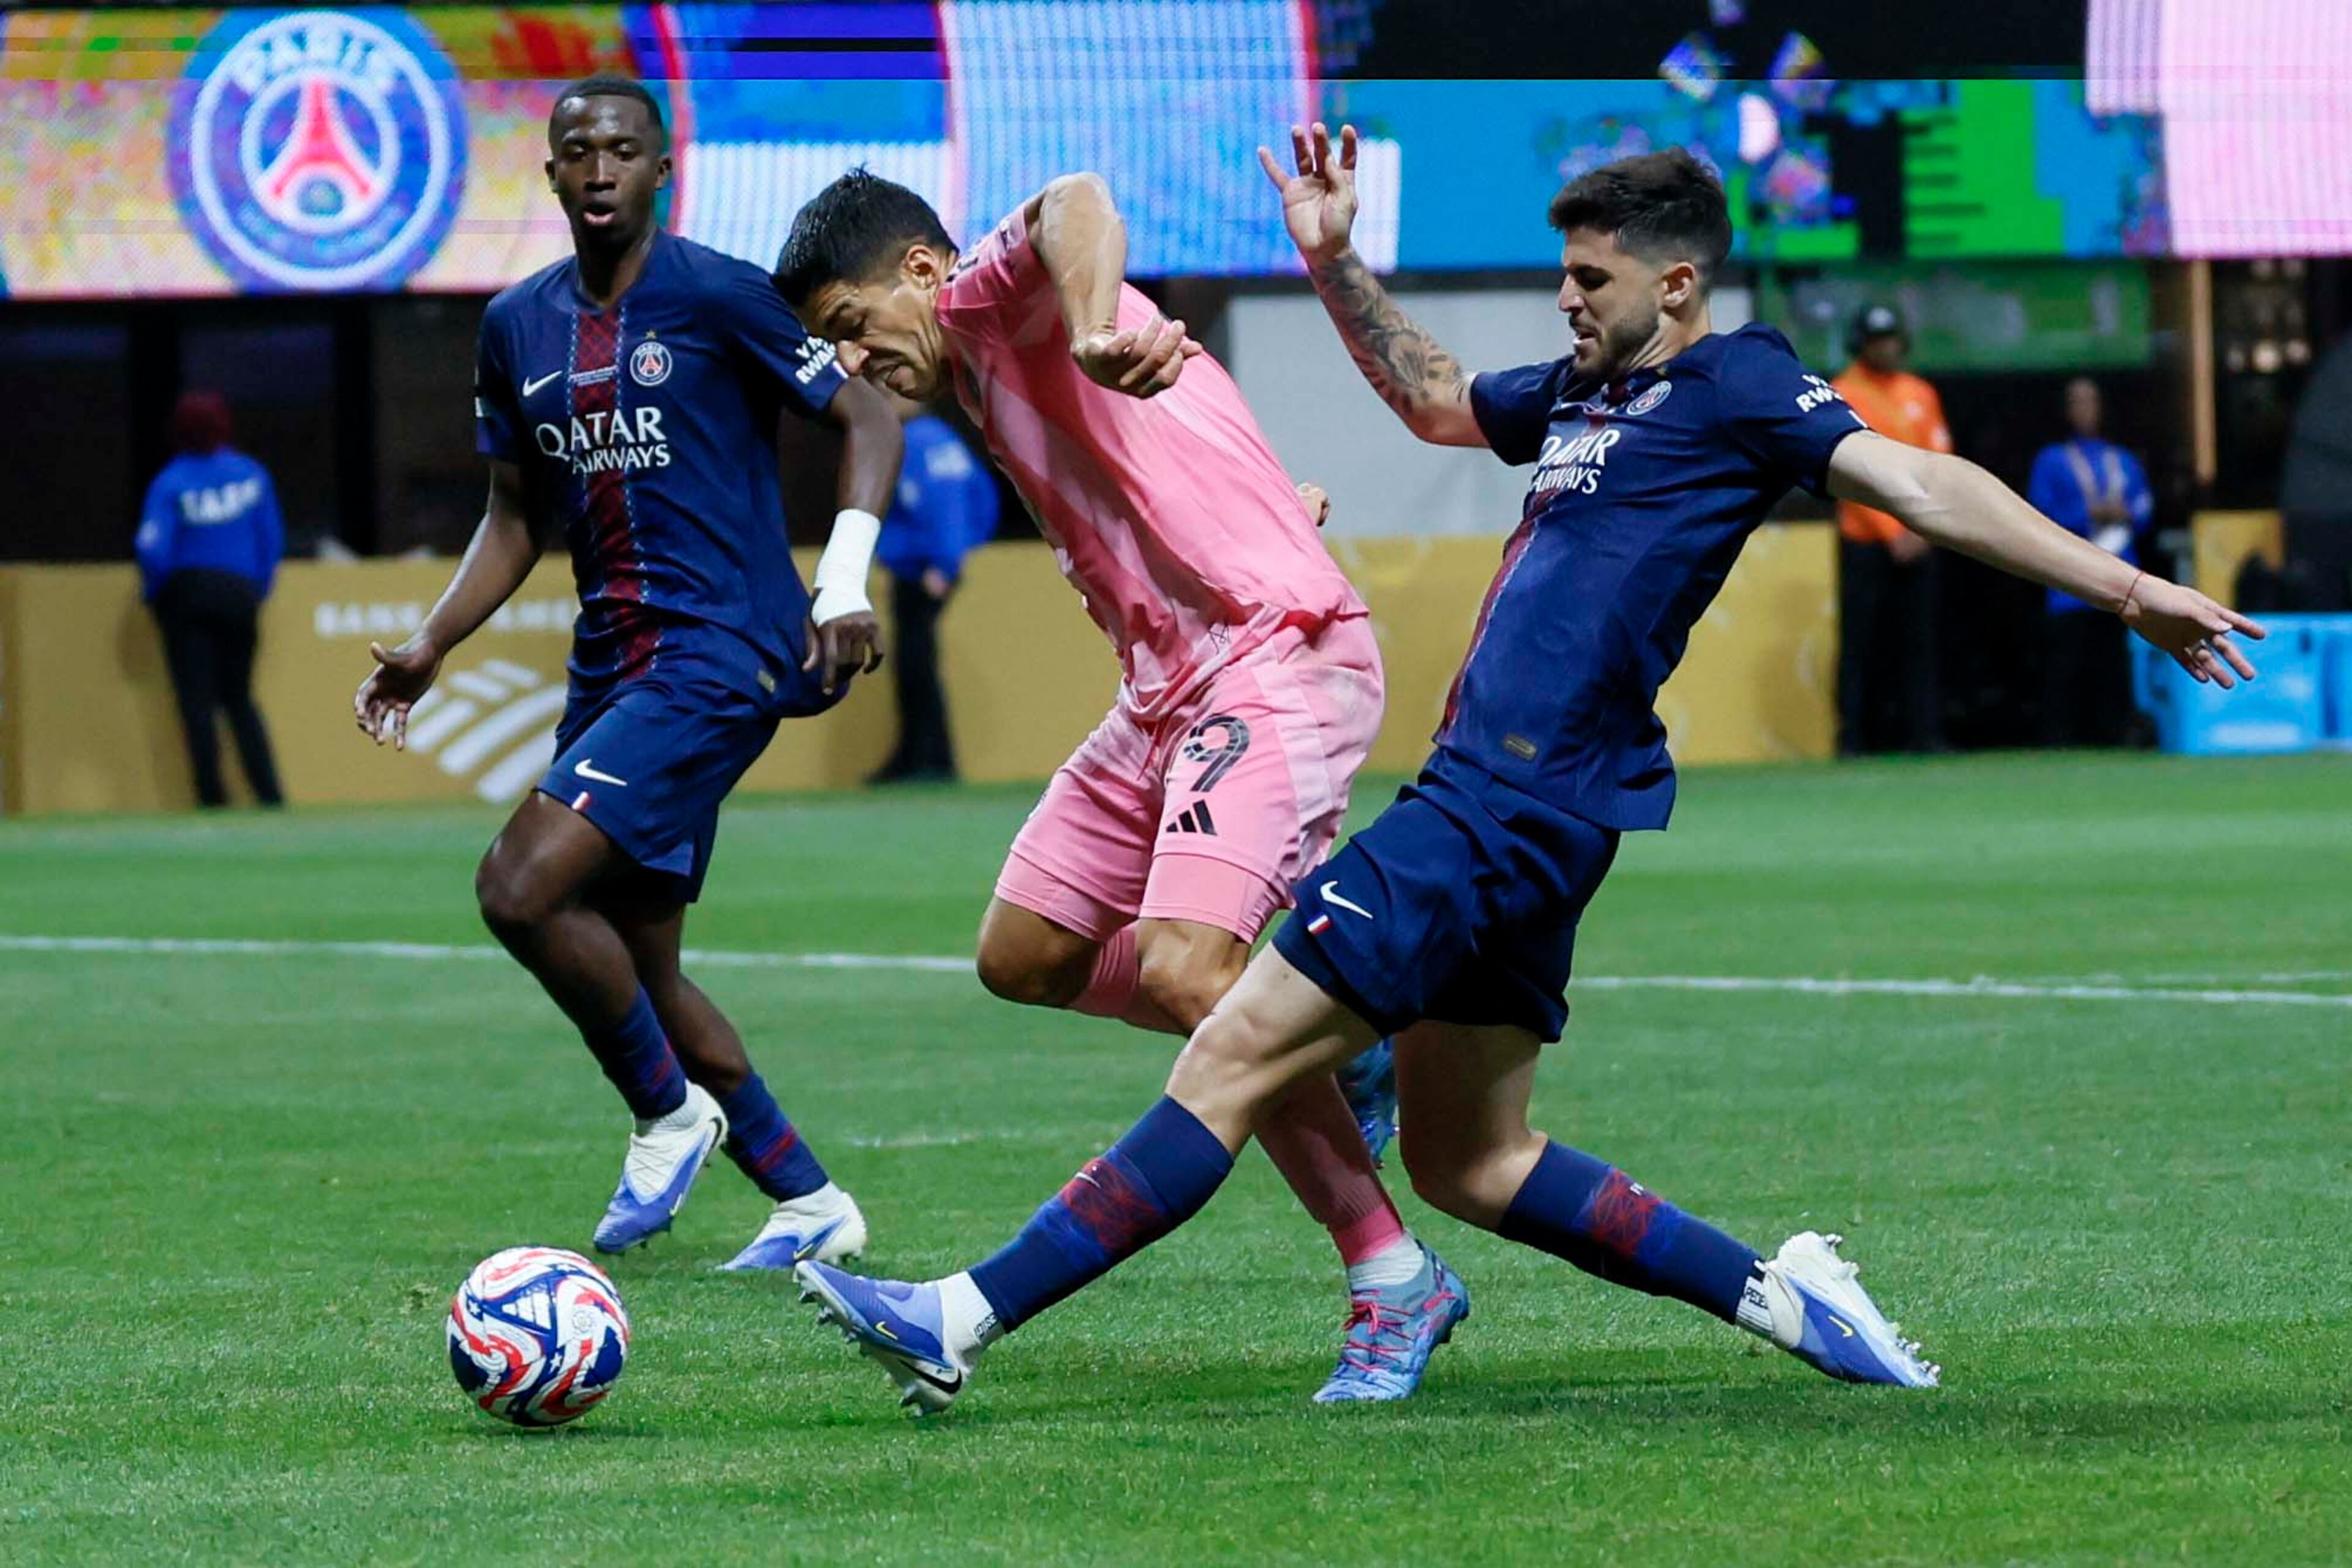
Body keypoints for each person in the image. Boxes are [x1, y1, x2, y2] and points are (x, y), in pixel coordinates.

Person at [791, 130, 2264, 1415]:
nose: (1567, 300)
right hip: (1537, 807)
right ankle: (1784, 1295)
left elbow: (1920, 484)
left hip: (1499, 799)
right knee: (1469, 1159)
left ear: (1675, 284)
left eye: (1591, 278)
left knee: (1228, 1045)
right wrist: (1331, 261)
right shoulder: (1577, 392)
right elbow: (1432, 397)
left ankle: (960, 1313)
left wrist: (2127, 588)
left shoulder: (1739, 384)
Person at [774, 167, 1455, 1403]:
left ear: (921, 275)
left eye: (848, 327)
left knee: (1188, 971)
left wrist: (1090, 318)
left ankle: (1392, 1274)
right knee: (1025, 952)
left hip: (1268, 660)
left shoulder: (996, 309)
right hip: (1164, 687)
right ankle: (1326, 1028)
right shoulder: (980, 374)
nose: (849, 363)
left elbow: (1072, 201)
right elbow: (1189, 445)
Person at [354, 76, 905, 1272]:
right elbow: (515, 515)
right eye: (577, 150)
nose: (600, 167)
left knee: (519, 883)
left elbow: (868, 414)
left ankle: (667, 1113)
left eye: (623, 148)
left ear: (663, 169)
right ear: (550, 173)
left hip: (723, 650)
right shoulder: (516, 325)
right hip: (611, 664)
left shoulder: (716, 295)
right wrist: (433, 643)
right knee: (638, 960)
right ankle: (808, 1198)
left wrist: (845, 578)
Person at [137, 391, 287, 809]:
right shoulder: (251, 475)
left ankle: (213, 800)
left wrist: (155, 593)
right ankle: (270, 797)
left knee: (197, 703)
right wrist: (256, 590)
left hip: (187, 596)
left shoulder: (171, 481)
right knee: (240, 698)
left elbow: (152, 547)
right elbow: (271, 540)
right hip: (240, 594)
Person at [1833, 303, 1950, 754]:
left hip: (1919, 537)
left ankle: (1924, 735)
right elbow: (1847, 471)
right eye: (1876, 340)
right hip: (1866, 541)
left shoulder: (1919, 392)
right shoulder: (1843, 391)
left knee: (1920, 642)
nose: (1885, 348)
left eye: (1891, 339)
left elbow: (1940, 463)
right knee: (1860, 644)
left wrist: (1921, 528)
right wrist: (1889, 531)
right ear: (1861, 343)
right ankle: (1853, 739)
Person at [869, 396, 998, 783]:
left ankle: (930, 758)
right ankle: (916, 754)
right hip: (919, 567)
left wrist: (944, 564)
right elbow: (978, 496)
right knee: (912, 661)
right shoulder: (933, 438)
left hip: (924, 572)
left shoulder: (921, 441)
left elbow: (947, 505)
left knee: (917, 662)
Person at [2028, 377, 2154, 747]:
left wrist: (2125, 513)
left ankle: (2114, 734)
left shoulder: (2123, 460)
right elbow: (2039, 512)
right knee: (2065, 664)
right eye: (2077, 402)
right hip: (2069, 580)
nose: (2085, 409)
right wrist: (2088, 513)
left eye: (2091, 401)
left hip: (2119, 576)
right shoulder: (2052, 460)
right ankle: (2059, 738)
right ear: (2066, 410)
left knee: (2113, 661)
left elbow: (2145, 507)